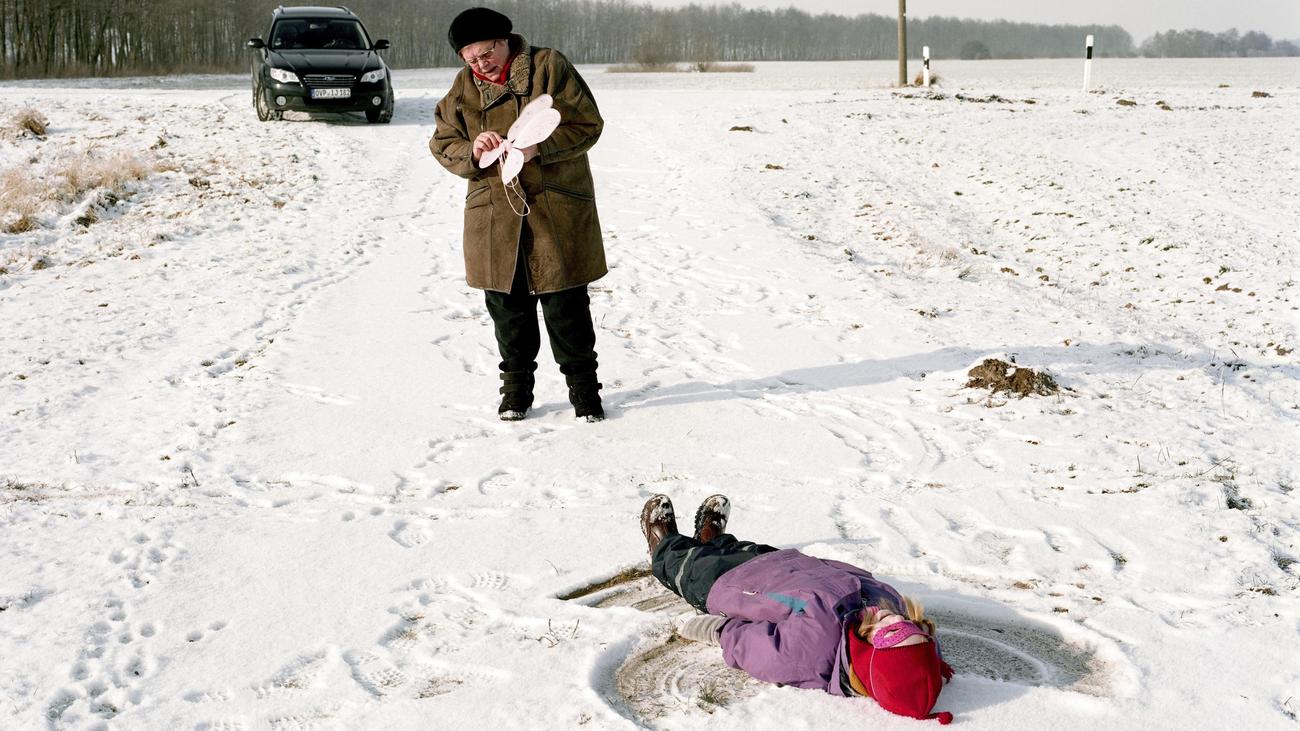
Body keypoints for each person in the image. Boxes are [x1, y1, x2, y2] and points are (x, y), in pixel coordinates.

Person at [430, 7, 608, 422]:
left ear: (505, 39)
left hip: (554, 207)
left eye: (486, 53)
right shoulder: (463, 89)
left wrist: (538, 148)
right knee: (507, 310)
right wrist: (473, 150)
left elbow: (586, 124)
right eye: (470, 59)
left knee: (565, 307)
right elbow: (443, 142)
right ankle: (515, 394)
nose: (480, 65)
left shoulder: (549, 67)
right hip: (494, 213)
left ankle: (585, 394)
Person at [640, 494, 955, 724]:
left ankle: (663, 545)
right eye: (912, 626)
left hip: (728, 587)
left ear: (871, 658)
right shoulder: (886, 608)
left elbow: (751, 646)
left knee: (686, 566)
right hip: (782, 564)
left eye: (893, 634)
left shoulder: (812, 654)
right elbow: (915, 662)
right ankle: (711, 539)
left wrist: (711, 628)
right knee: (733, 547)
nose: (897, 619)